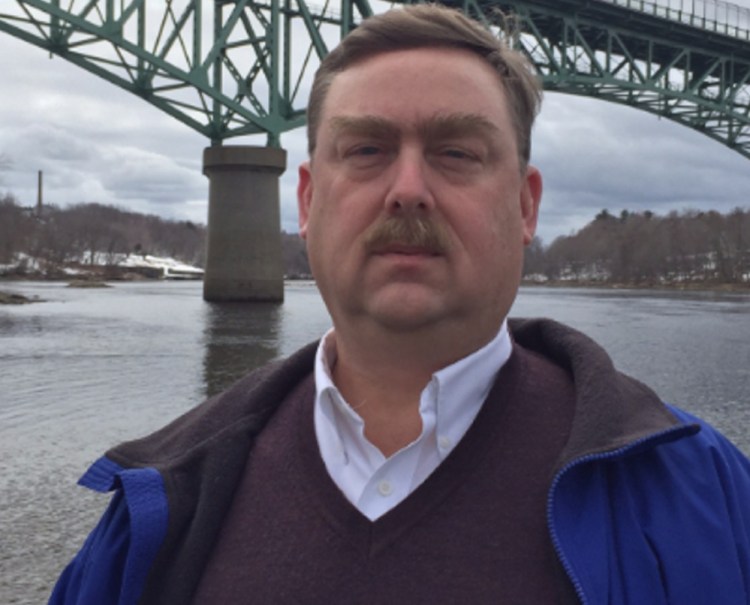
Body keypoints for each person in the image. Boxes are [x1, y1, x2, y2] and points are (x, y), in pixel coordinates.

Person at [50, 4, 750, 604]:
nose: (408, 187)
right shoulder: (156, 505)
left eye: (455, 151)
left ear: (525, 204)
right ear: (308, 199)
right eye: (366, 149)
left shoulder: (707, 493)